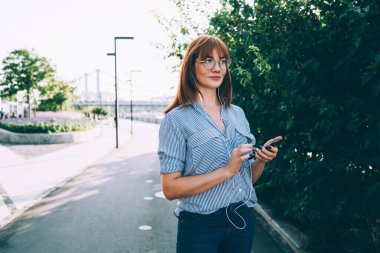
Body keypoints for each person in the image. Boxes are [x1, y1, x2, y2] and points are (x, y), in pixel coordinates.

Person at [158, 34, 282, 253]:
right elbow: (170, 188)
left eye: (222, 61)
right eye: (208, 60)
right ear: (191, 66)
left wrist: (261, 161)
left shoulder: (238, 114)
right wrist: (226, 171)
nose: (217, 67)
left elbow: (245, 178)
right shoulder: (176, 120)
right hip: (199, 228)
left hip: (242, 219)